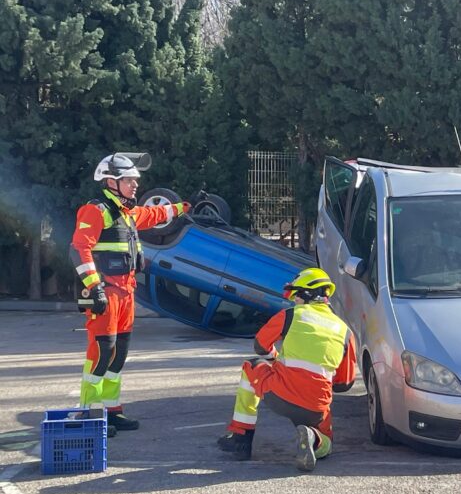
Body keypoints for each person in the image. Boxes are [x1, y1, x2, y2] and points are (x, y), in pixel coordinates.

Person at [70, 153, 190, 437]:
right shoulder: (96, 210)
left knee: (119, 354)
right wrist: (94, 286)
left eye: (136, 180)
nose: (135, 185)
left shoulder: (127, 212)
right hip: (106, 292)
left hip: (126, 293)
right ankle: (88, 413)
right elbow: (78, 248)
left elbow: (153, 215)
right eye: (129, 180)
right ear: (111, 182)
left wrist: (183, 207)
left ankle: (112, 411)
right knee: (102, 353)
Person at [217, 267, 357, 471]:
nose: (294, 301)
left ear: (306, 294)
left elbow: (260, 346)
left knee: (251, 367)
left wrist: (276, 360)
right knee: (327, 442)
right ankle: (314, 439)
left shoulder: (291, 315)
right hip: (316, 407)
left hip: (280, 394)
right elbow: (344, 384)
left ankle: (241, 438)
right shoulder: (345, 332)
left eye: (296, 295)